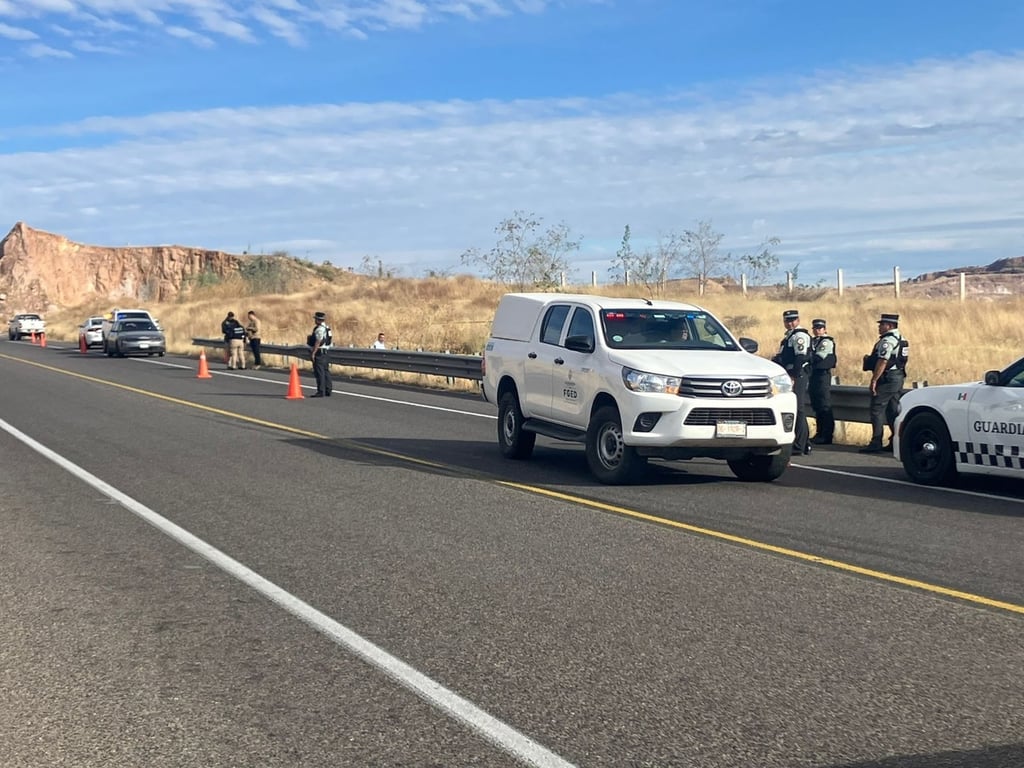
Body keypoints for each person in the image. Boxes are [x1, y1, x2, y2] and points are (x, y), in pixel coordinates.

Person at [860, 312, 909, 453]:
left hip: (888, 378)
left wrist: (874, 379)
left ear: (889, 325)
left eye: (882, 324)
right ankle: (896, 441)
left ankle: (876, 442)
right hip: (897, 377)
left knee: (877, 408)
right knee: (892, 410)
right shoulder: (901, 338)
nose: (879, 327)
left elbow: (883, 361)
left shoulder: (888, 341)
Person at [772, 308, 811, 455]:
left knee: (798, 408)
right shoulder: (790, 336)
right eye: (787, 321)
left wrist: (794, 376)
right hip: (791, 374)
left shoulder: (799, 336)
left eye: (792, 320)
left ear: (798, 320)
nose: (789, 323)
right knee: (797, 408)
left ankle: (800, 445)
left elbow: (800, 358)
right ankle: (804, 443)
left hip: (797, 375)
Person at [809, 318, 837, 445]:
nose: (817, 330)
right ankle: (819, 432)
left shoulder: (826, 342)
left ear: (824, 329)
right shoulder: (814, 341)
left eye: (819, 328)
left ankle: (826, 435)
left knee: (824, 404)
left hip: (822, 375)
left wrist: (807, 360)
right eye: (815, 328)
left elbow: (818, 357)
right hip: (814, 375)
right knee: (817, 405)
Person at [308, 311, 333, 397]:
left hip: (320, 353)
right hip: (326, 353)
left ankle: (320, 391)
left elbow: (318, 341)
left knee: (320, 373)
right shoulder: (327, 328)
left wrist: (313, 353)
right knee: (326, 371)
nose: (315, 321)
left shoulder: (319, 329)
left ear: (318, 320)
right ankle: (328, 389)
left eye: (316, 319)